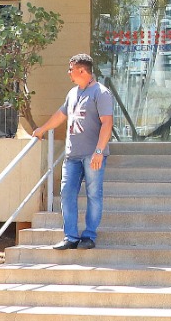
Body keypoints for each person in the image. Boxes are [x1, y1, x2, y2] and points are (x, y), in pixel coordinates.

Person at [31, 53, 114, 249]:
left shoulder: (101, 93)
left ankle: (89, 236)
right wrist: (42, 129)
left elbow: (107, 124)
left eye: (71, 69)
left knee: (93, 195)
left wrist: (99, 151)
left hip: (92, 155)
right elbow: (61, 115)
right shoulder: (73, 93)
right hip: (72, 156)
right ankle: (70, 236)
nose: (68, 73)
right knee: (67, 193)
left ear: (82, 71)